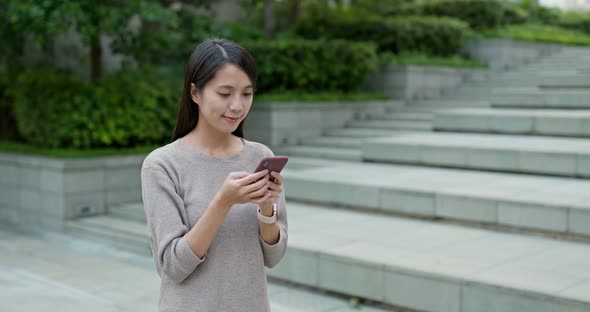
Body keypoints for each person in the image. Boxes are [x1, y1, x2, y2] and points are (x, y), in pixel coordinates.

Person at [140, 38, 288, 311]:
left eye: (247, 93)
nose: (237, 106)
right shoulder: (162, 165)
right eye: (225, 93)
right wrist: (223, 201)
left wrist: (267, 207)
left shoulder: (260, 157)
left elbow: (273, 256)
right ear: (195, 93)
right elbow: (173, 267)